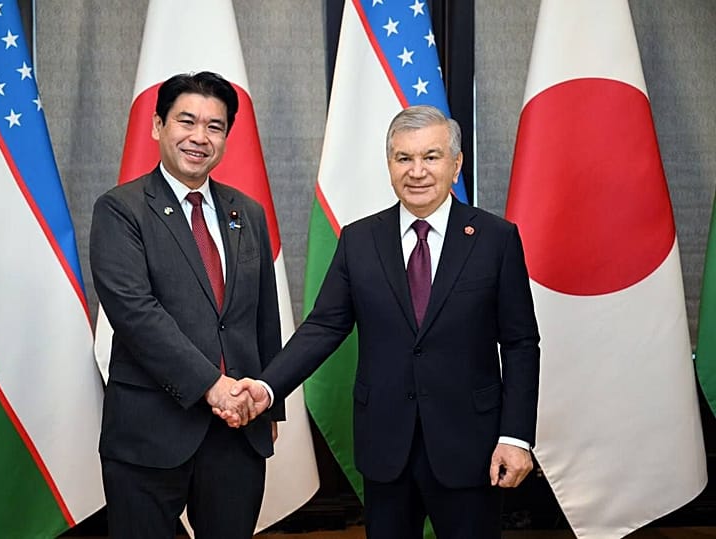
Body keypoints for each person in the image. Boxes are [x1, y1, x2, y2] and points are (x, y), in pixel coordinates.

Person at [222, 105, 540, 538]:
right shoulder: (359, 240)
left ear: (456, 164)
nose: (417, 171)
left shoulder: (495, 239)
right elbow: (323, 327)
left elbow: (521, 344)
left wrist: (516, 437)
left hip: (471, 445)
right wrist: (266, 386)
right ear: (389, 164)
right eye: (403, 158)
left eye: (431, 156)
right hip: (386, 445)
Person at [90, 71, 283, 539]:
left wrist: (270, 405)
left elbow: (263, 316)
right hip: (150, 430)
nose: (200, 137)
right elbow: (136, 315)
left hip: (237, 430)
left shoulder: (248, 212)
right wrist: (212, 386)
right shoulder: (121, 209)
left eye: (215, 126)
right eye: (187, 121)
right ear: (158, 126)